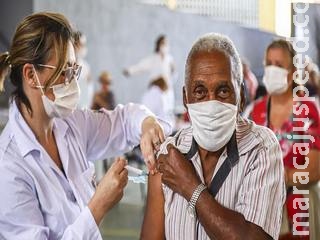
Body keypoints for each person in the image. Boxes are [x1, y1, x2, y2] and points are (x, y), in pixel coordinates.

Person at [0, 12, 170, 240]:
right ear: (31, 75)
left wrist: (147, 122)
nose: (72, 82)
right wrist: (98, 205)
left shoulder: (70, 124)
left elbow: (123, 120)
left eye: (74, 70)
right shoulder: (8, 168)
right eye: (64, 72)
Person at [141, 33, 285, 240]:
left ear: (242, 97)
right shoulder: (169, 153)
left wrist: (191, 187)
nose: (211, 103)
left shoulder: (260, 148)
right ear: (185, 98)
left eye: (223, 91)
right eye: (199, 91)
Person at [245, 39, 320, 240]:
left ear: (293, 70)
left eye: (279, 65)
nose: (272, 70)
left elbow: (313, 171)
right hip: (262, 212)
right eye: (269, 64)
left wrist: (276, 177)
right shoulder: (255, 112)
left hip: (298, 213)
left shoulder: (307, 110)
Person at [124, 35, 176, 126]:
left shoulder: (170, 59)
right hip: (155, 90)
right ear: (158, 45)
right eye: (163, 43)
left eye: (166, 43)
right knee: (152, 114)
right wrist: (130, 71)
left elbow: (174, 76)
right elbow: (141, 66)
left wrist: (174, 70)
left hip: (167, 91)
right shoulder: (153, 59)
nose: (165, 46)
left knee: (167, 115)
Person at [74, 31, 94, 109]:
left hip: (83, 109)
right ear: (74, 44)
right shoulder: (65, 65)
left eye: (84, 45)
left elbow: (89, 88)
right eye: (80, 44)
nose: (83, 47)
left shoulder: (85, 66)